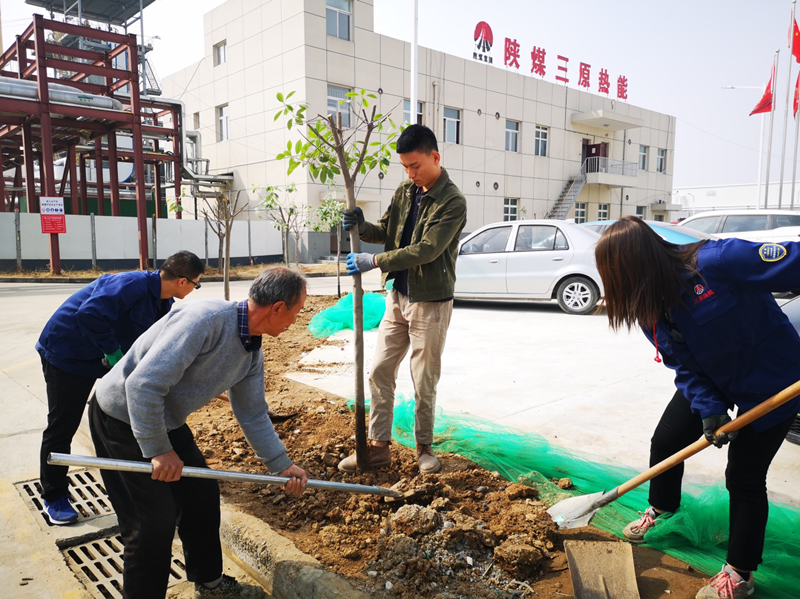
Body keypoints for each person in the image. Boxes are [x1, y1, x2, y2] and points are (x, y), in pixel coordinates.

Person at [595, 216, 800, 599]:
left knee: (744, 475)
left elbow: (794, 262)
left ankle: (739, 573)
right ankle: (663, 507)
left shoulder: (717, 261)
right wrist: (709, 408)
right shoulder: (650, 306)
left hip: (774, 382)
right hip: (713, 378)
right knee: (667, 439)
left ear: (640, 262)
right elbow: (683, 364)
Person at [89, 266, 308, 599]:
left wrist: (280, 464)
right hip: (119, 416)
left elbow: (251, 412)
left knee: (201, 497)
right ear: (278, 308)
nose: (295, 321)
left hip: (164, 419)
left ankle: (209, 582)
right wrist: (158, 450)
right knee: (153, 522)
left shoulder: (251, 349)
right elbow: (142, 385)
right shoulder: (205, 321)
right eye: (296, 312)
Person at [35, 250, 204, 525]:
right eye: (196, 283)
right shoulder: (131, 285)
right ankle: (54, 497)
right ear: (183, 281)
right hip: (67, 354)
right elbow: (88, 314)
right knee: (62, 425)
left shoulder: (162, 302)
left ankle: (150, 492)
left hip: (101, 360)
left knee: (132, 415)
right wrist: (114, 353)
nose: (194, 289)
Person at [338, 124, 467, 474]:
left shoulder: (452, 201)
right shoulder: (405, 191)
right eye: (405, 167)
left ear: (435, 157)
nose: (411, 173)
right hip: (397, 294)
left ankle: (423, 447)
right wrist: (362, 227)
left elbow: (427, 250)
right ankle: (379, 446)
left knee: (423, 376)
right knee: (380, 369)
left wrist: (374, 261)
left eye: (416, 166)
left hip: (431, 302)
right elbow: (386, 232)